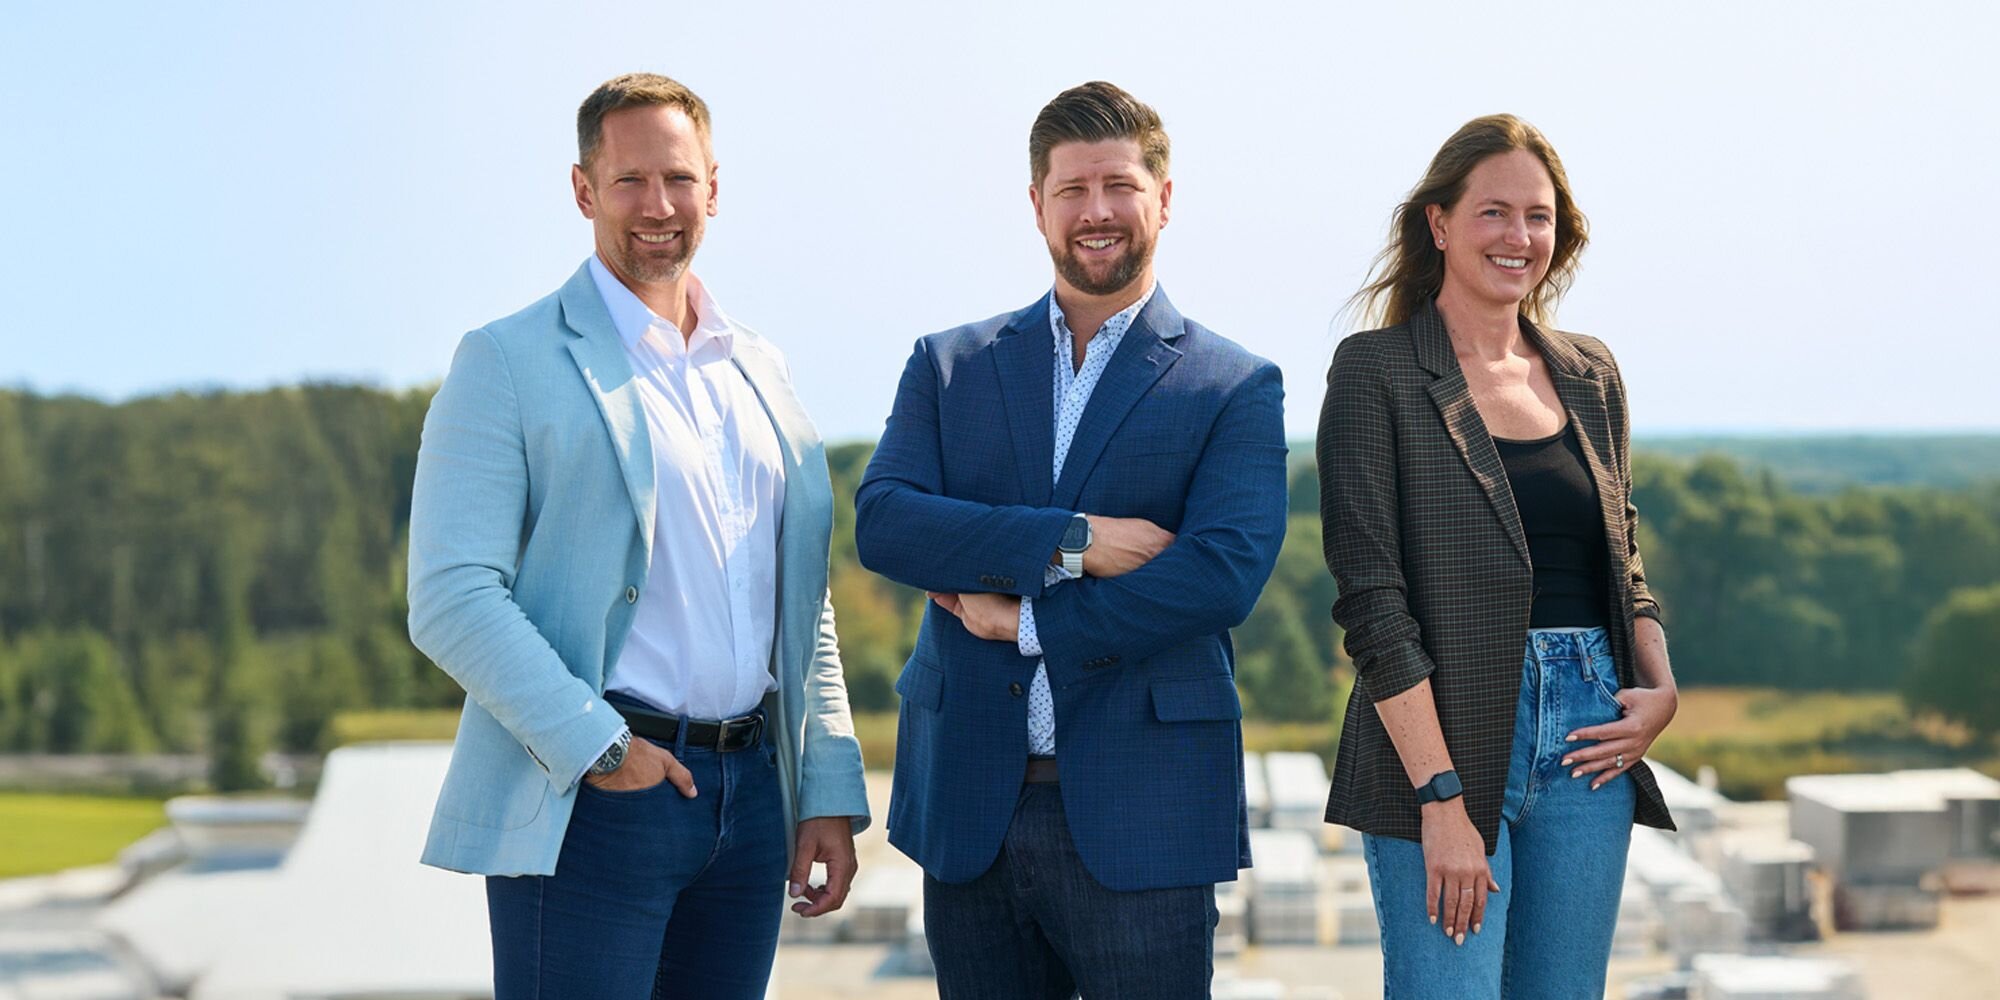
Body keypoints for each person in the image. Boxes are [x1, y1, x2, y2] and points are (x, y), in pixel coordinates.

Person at [405, 72, 869, 1000]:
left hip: (750, 807)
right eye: (628, 182)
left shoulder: (759, 370)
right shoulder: (505, 360)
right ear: (583, 190)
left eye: (679, 179)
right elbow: (452, 596)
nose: (657, 206)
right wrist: (603, 749)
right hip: (595, 798)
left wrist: (825, 784)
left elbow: (802, 602)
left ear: (713, 187)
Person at [853, 80, 1289, 999]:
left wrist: (1025, 623)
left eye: (1120, 187)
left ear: (1163, 198)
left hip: (1148, 810)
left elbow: (1220, 577)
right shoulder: (949, 364)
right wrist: (1073, 540)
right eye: (1073, 190)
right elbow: (887, 522)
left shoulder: (1234, 385)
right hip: (971, 802)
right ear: (1037, 204)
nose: (1097, 213)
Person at [1317, 114, 1679, 998]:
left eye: (1539, 216)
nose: (1519, 237)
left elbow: (1622, 558)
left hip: (1592, 739)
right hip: (1442, 736)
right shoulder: (1377, 373)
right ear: (1439, 224)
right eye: (1493, 213)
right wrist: (1441, 799)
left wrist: (1659, 688)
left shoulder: (1591, 372)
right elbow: (1372, 603)